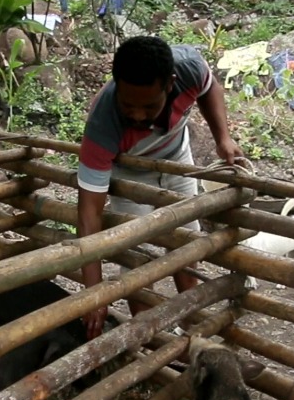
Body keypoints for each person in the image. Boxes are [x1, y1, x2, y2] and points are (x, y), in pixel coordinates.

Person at [76, 35, 244, 339]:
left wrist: (223, 137)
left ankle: (189, 323)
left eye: (149, 106)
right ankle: (147, 335)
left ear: (170, 85)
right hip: (128, 173)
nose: (138, 115)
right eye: (129, 105)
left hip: (177, 157)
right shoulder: (102, 125)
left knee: (186, 242)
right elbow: (89, 214)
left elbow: (211, 89)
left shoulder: (191, 68)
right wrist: (94, 294)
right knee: (136, 253)